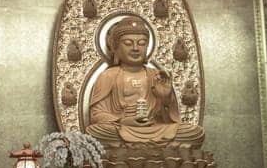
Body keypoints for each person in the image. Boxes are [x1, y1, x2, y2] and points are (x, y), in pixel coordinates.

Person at [86, 17, 203, 147]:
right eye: (128, 43)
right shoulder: (108, 76)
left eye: (141, 43)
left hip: (155, 129)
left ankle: (141, 148)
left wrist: (165, 98)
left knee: (193, 132)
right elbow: (96, 115)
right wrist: (123, 121)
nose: (136, 48)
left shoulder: (156, 75)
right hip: (122, 129)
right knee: (95, 132)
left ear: (147, 47)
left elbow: (169, 119)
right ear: (116, 48)